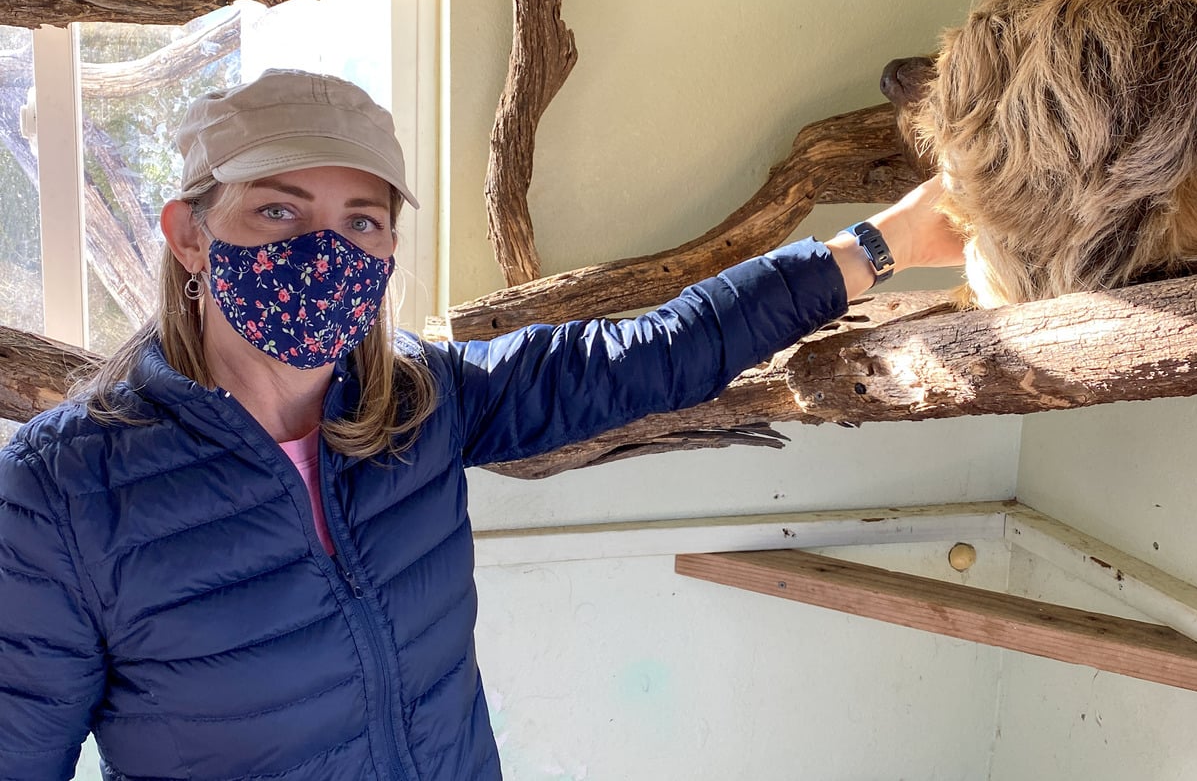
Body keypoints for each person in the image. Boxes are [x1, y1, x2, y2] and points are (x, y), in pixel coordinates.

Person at [0, 68, 964, 781]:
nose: (324, 253)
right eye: (278, 211)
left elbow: (661, 349)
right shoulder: (58, 494)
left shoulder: (420, 401)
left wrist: (889, 242)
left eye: (362, 222)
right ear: (190, 233)